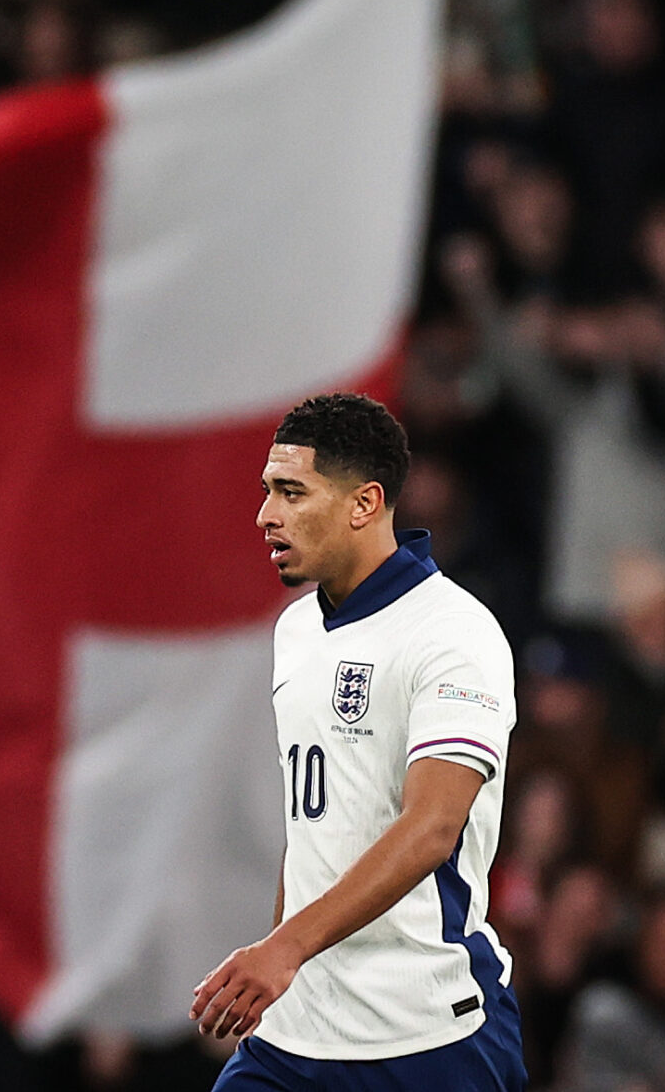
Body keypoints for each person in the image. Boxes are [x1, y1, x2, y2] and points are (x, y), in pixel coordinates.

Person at [193, 393, 526, 1091]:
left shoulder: (453, 633)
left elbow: (433, 826)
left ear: (364, 503)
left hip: (430, 1031)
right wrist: (279, 968)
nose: (266, 515)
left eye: (292, 492)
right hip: (297, 1035)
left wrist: (282, 947)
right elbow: (312, 823)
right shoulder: (296, 631)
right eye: (266, 492)